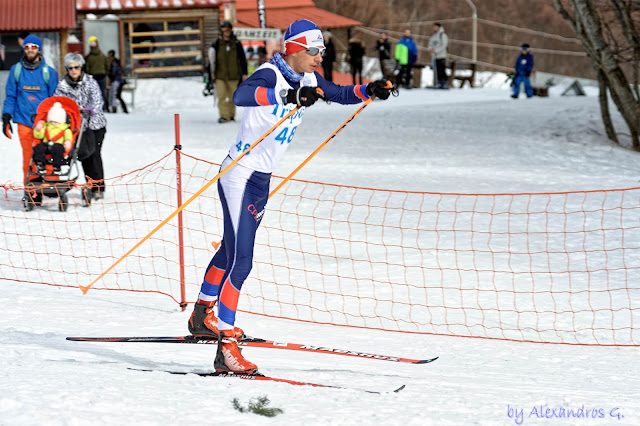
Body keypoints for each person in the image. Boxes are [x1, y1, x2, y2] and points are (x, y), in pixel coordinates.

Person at [187, 19, 395, 374]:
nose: (319, 58)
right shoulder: (271, 74)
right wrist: (288, 96)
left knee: (230, 249)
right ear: (296, 49)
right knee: (242, 260)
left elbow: (339, 93)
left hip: (261, 180)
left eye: (322, 52)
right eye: (314, 51)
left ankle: (201, 315)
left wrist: (370, 89)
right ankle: (226, 347)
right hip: (239, 176)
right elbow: (241, 95)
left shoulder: (309, 78)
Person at [2, 35, 59, 181]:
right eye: (27, 47)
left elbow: (55, 99)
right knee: (28, 156)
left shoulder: (49, 73)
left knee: (47, 154)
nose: (30, 50)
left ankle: (50, 186)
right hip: (24, 120)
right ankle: (31, 191)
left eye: (33, 47)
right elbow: (10, 96)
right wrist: (6, 117)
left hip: (45, 122)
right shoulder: (16, 70)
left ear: (39, 49)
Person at [54, 53, 108, 200]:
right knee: (84, 155)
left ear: (81, 67)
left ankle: (99, 186)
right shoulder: (62, 86)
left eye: (76, 67)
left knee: (94, 153)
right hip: (76, 126)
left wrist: (89, 110)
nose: (73, 70)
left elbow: (97, 101)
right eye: (70, 68)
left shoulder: (90, 82)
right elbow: (58, 102)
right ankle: (90, 184)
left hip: (94, 125)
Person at [208, 21, 248, 123]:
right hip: (220, 75)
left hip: (233, 75)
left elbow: (242, 59)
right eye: (224, 29)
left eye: (228, 29)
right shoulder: (216, 43)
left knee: (232, 97)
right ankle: (223, 116)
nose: (227, 31)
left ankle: (231, 115)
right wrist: (210, 74)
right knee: (221, 96)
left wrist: (244, 73)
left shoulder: (236, 44)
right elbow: (211, 59)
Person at [32, 101, 73, 175]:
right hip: (46, 144)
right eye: (51, 121)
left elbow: (68, 137)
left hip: (58, 144)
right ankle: (40, 164)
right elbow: (39, 136)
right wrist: (38, 129)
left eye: (56, 121)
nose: (53, 123)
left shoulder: (65, 129)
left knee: (58, 149)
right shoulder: (46, 127)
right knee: (38, 147)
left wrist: (67, 143)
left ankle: (57, 166)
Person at [85, 36, 109, 112]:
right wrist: (105, 73)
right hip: (102, 76)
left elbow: (87, 68)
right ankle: (104, 107)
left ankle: (94, 108)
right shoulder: (102, 55)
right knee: (102, 93)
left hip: (93, 77)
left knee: (93, 93)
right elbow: (107, 66)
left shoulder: (89, 57)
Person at [428, 23, 449, 89]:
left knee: (442, 69)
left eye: (435, 27)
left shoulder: (442, 35)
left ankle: (445, 83)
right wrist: (430, 49)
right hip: (435, 56)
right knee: (437, 70)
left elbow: (444, 45)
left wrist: (436, 50)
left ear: (439, 27)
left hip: (442, 55)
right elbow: (430, 44)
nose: (434, 28)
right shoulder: (433, 36)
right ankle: (439, 83)